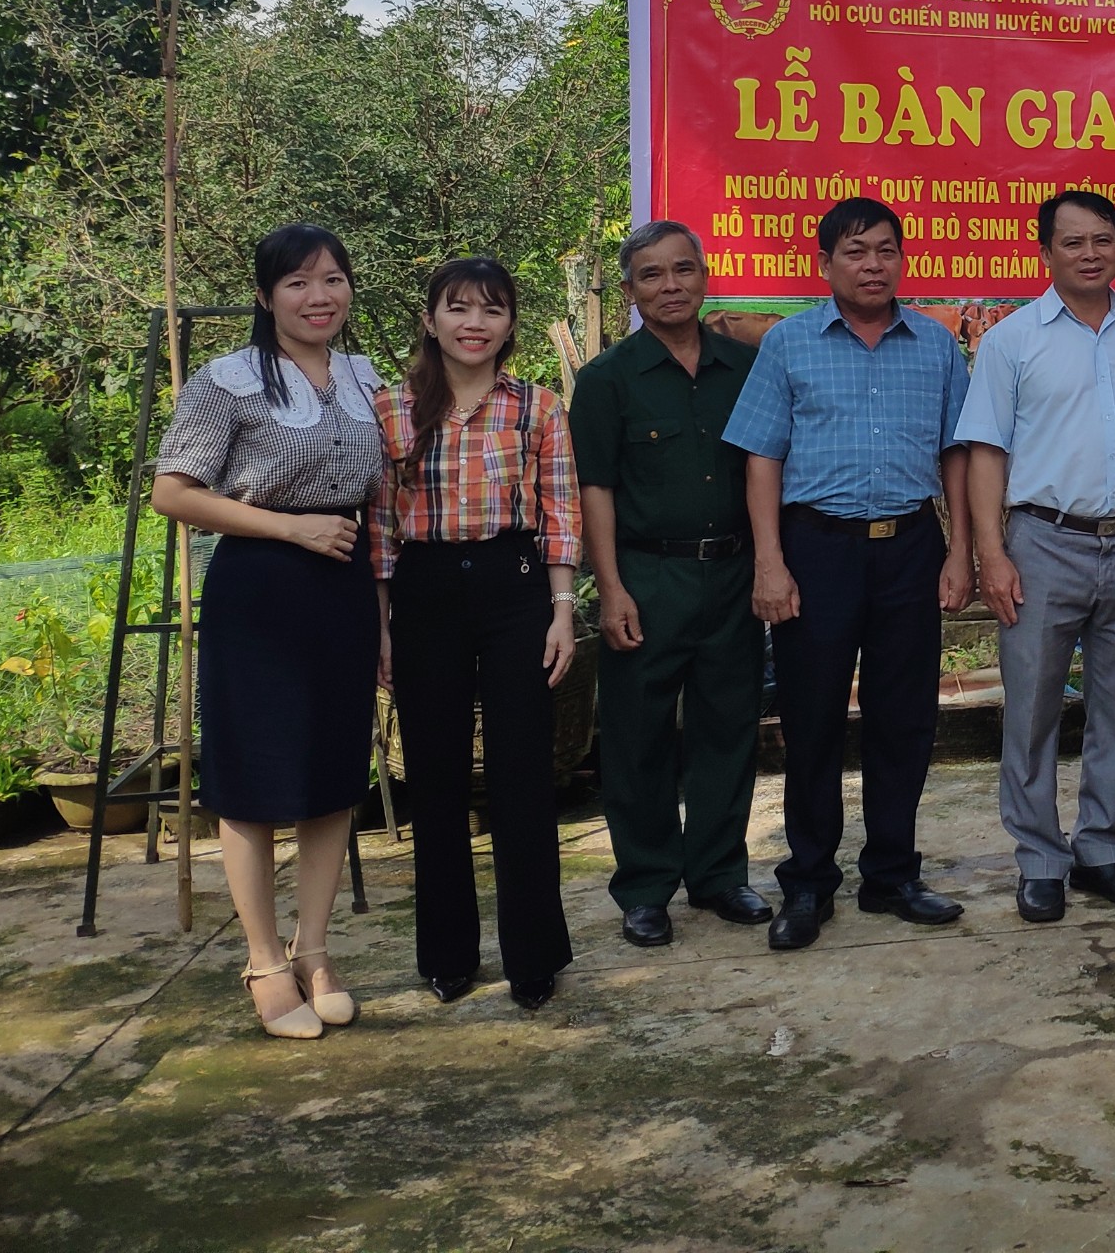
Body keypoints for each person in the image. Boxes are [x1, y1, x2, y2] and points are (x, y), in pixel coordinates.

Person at [150, 224, 383, 1041]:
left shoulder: (363, 374)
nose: (319, 298)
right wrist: (290, 531)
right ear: (265, 296)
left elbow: (375, 503)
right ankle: (263, 962)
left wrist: (381, 610)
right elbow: (174, 493)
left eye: (332, 280)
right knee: (252, 783)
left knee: (332, 775)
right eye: (297, 284)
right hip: (261, 586)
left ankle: (315, 949)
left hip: (345, 587)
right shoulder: (230, 381)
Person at [727, 196, 976, 951]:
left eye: (886, 250)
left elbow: (956, 456)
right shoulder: (790, 345)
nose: (874, 265)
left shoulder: (935, 346)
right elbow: (762, 457)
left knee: (905, 720)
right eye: (857, 252)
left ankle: (893, 874)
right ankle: (806, 884)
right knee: (813, 719)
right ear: (825, 264)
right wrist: (770, 562)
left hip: (908, 548)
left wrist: (961, 548)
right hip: (816, 550)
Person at [958, 190, 1115, 924]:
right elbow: (984, 453)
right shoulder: (1012, 341)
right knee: (1030, 711)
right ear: (1045, 252)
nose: (1090, 254)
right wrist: (990, 552)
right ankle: (1039, 860)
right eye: (1072, 243)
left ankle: (1103, 851)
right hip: (1042, 542)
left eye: (1102, 240)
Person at [371, 259, 582, 1009]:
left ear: (510, 326)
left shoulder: (539, 407)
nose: (474, 323)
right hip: (424, 593)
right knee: (436, 778)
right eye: (458, 308)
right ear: (430, 320)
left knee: (524, 774)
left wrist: (562, 609)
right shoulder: (390, 409)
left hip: (515, 589)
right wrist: (384, 621)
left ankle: (535, 955)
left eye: (492, 311)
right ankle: (448, 954)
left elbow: (561, 511)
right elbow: (381, 525)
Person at [569, 220, 771, 949]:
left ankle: (719, 875)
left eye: (683, 270)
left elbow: (763, 469)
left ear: (705, 276)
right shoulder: (606, 381)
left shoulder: (744, 369)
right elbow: (596, 491)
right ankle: (647, 886)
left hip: (733, 573)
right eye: (651, 275)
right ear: (629, 291)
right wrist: (612, 588)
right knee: (638, 736)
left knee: (727, 730)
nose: (671, 286)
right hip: (647, 576)